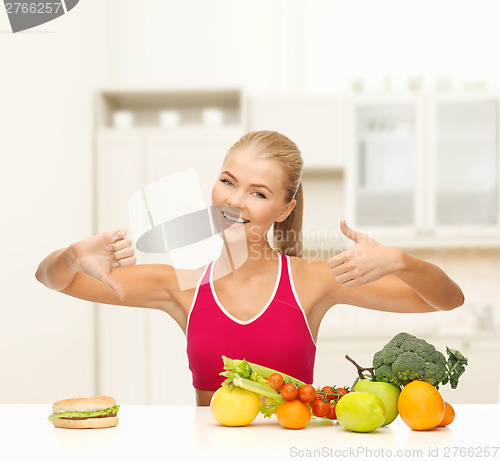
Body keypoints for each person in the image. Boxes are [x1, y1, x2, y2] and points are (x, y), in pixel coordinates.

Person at [36, 130, 465, 406]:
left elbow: (445, 301)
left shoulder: (311, 280)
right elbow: (54, 280)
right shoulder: (178, 284)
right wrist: (73, 254)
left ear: (285, 209)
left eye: (258, 193)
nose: (235, 201)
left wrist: (402, 262)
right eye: (227, 181)